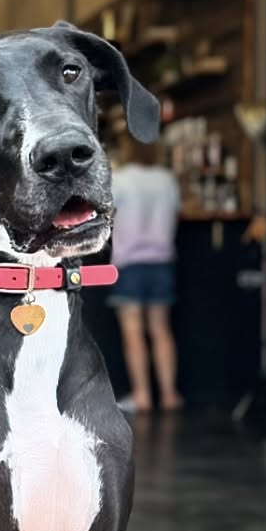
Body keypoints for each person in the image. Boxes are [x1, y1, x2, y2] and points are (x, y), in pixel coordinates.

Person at [108, 132, 182, 412]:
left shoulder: (121, 179)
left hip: (129, 264)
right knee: (162, 330)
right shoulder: (167, 180)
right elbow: (176, 213)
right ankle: (169, 394)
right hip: (162, 262)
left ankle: (142, 395)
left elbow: (105, 213)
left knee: (133, 332)